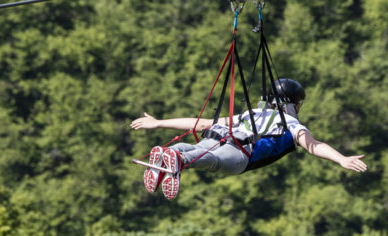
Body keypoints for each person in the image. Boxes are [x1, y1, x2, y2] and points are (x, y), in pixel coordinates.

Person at [130, 78, 367, 199]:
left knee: (197, 147)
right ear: (293, 104)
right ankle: (178, 160)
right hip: (240, 153)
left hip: (221, 136)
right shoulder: (292, 125)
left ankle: (172, 154)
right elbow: (315, 146)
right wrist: (341, 159)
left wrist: (159, 122)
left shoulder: (251, 113)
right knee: (212, 159)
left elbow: (202, 124)